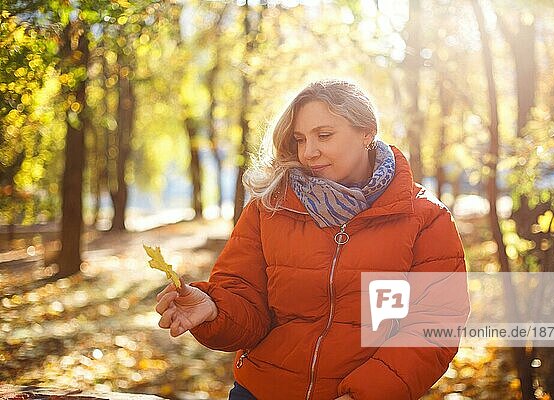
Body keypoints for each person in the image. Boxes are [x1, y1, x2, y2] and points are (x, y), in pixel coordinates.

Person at [155, 79, 470, 400]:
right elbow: (248, 308)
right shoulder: (269, 207)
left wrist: (367, 394)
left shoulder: (425, 217)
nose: (309, 152)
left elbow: (434, 325)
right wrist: (213, 309)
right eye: (300, 139)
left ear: (367, 132)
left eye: (324, 135)